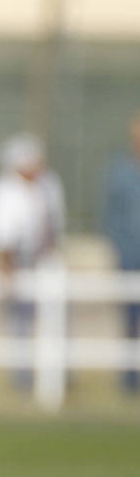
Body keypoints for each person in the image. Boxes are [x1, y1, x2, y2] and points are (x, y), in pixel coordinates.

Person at [0, 132, 66, 392]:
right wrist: (5, 270)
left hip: (45, 258)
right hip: (15, 259)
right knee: (20, 324)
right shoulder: (1, 190)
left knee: (58, 319)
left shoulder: (49, 184)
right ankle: (22, 380)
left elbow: (55, 224)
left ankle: (60, 379)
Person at [100, 112, 140, 395]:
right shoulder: (118, 171)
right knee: (129, 319)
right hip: (129, 256)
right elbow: (109, 216)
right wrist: (120, 249)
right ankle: (129, 381)